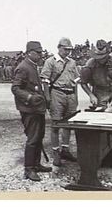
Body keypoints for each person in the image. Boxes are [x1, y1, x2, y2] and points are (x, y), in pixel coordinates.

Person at [80, 39, 112, 170]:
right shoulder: (90, 64)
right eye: (98, 57)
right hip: (99, 91)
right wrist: (91, 95)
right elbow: (83, 82)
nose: (100, 59)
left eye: (103, 57)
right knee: (100, 121)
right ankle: (104, 150)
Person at [11, 41, 52, 181]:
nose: (41, 55)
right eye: (38, 53)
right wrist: (29, 97)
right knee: (33, 139)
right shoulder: (23, 67)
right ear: (29, 53)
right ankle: (29, 169)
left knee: (39, 136)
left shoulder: (33, 66)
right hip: (29, 109)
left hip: (37, 108)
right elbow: (15, 88)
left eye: (41, 52)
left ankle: (36, 164)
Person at [40, 38, 79, 167]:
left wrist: (76, 97)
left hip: (71, 94)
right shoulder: (50, 61)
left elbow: (76, 82)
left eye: (69, 50)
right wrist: (48, 98)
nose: (67, 52)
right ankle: (56, 151)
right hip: (57, 93)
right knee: (56, 124)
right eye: (65, 49)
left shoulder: (72, 62)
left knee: (68, 123)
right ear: (58, 47)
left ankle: (65, 149)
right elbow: (45, 81)